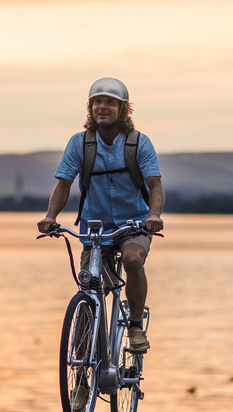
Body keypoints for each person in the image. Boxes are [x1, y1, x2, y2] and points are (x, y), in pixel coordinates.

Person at [37, 77, 165, 355]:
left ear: (123, 109)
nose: (102, 107)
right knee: (90, 286)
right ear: (90, 107)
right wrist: (50, 216)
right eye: (97, 102)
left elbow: (155, 185)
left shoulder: (138, 143)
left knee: (133, 259)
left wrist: (153, 215)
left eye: (109, 102)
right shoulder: (79, 143)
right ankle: (82, 368)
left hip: (134, 225)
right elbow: (63, 184)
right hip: (94, 229)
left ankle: (134, 326)